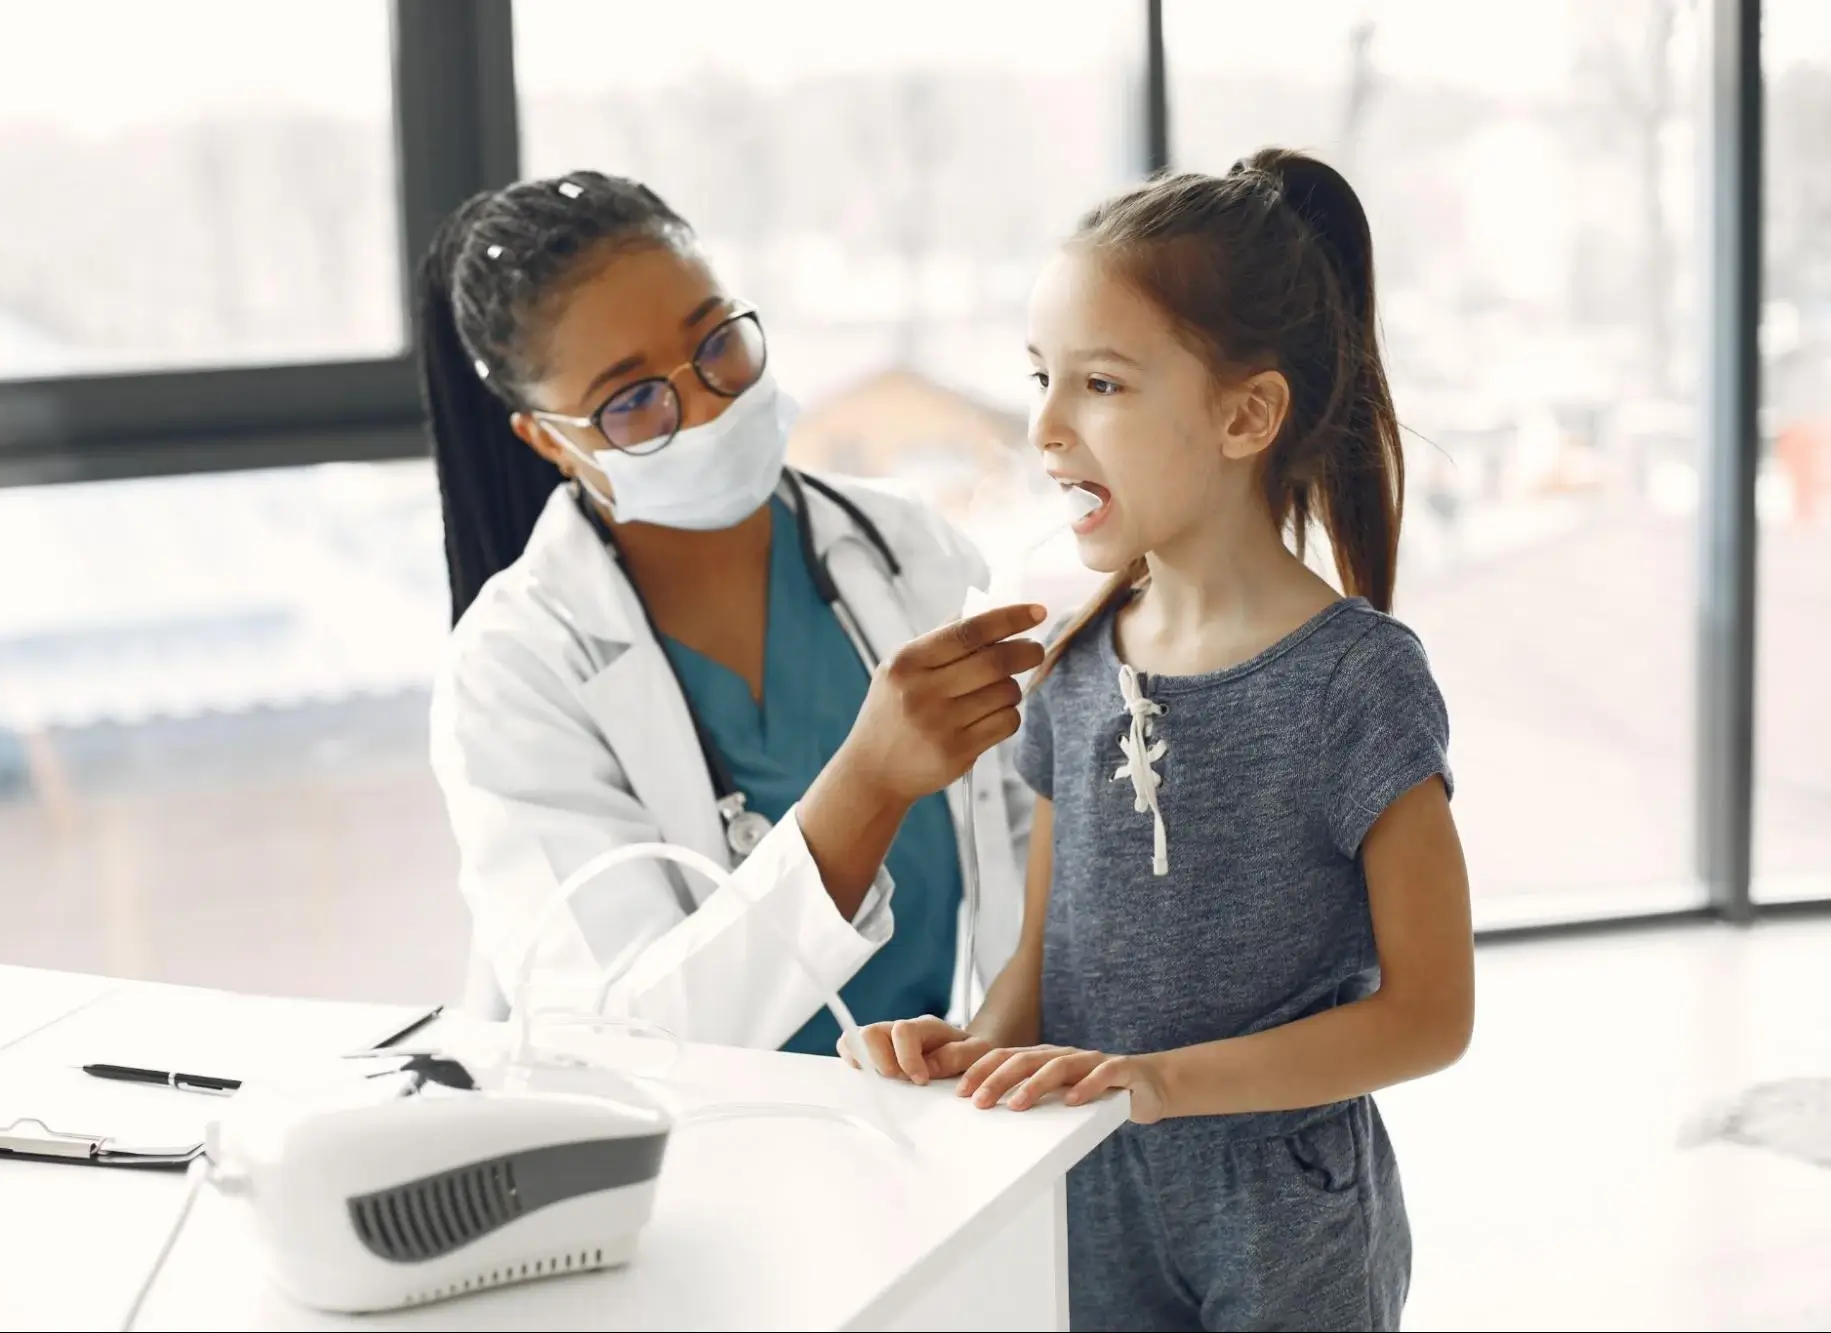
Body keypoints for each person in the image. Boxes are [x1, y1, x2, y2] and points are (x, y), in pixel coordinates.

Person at [840, 150, 1475, 1332]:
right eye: (1039, 377)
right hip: (1087, 1191)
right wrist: (964, 1055)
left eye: (1102, 384)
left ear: (1246, 415)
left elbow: (1431, 1014)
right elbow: (1043, 966)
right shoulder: (1075, 663)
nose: (1043, 425)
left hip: (1286, 1222)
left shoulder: (1357, 681)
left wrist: (1160, 1084)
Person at [419, 170, 1043, 1055]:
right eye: (632, 400)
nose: (709, 403)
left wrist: (995, 1031)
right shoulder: (516, 666)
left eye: (716, 344)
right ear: (547, 440)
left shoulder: (908, 548)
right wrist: (864, 786)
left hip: (953, 1113)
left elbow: (1030, 845)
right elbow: (617, 1031)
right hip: (706, 1157)